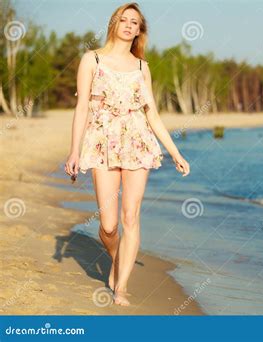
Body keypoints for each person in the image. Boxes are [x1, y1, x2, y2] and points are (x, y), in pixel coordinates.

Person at [64, 2, 190, 306]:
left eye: (135, 22)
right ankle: (118, 258)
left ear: (139, 30)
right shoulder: (91, 59)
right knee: (108, 225)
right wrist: (74, 152)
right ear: (114, 23)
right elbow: (81, 109)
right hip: (102, 143)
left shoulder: (141, 67)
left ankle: (120, 286)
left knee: (130, 216)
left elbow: (153, 115)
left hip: (137, 143)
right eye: (125, 19)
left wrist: (175, 152)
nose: (130, 25)